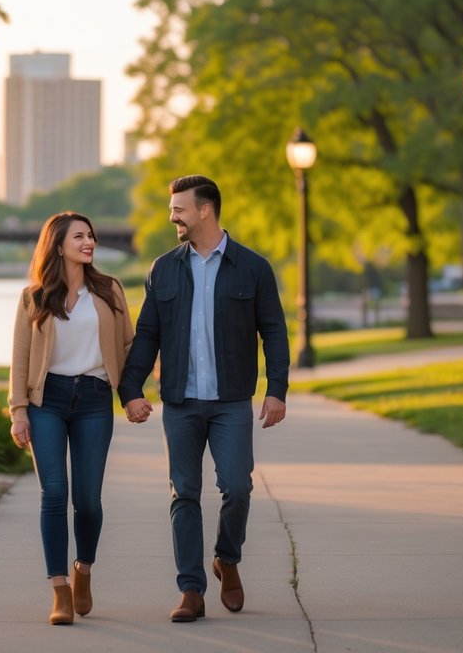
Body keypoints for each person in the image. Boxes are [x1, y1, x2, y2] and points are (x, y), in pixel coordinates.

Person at [119, 175, 290, 622]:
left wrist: (277, 390)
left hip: (231, 401)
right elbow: (147, 336)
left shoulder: (253, 268)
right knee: (184, 493)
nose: (172, 216)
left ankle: (227, 559)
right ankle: (191, 590)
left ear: (205, 210)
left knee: (237, 487)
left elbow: (273, 331)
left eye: (179, 208)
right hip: (180, 402)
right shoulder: (164, 268)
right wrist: (131, 389)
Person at [9, 211, 135, 625]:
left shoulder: (109, 290)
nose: (89, 242)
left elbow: (130, 347)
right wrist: (19, 412)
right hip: (48, 401)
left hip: (95, 399)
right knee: (54, 493)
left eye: (91, 235)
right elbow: (20, 359)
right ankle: (59, 588)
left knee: (89, 501)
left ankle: (83, 569)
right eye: (79, 236)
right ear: (57, 244)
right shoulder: (34, 297)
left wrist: (132, 394)